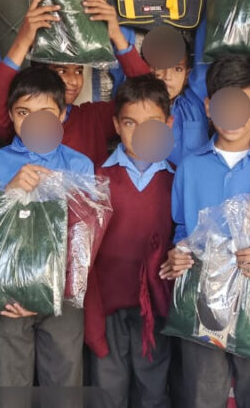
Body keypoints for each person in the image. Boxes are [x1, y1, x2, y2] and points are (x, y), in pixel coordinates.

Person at [160, 54, 250, 408]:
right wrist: (178, 252)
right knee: (202, 390)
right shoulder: (189, 168)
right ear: (210, 107)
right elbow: (181, 229)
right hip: (203, 286)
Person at [0, 66, 94, 388]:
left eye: (44, 113)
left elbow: (85, 239)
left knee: (63, 380)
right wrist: (10, 193)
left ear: (62, 114)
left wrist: (52, 291)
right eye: (23, 113)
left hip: (63, 295)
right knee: (8, 382)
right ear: (11, 115)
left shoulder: (78, 165)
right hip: (9, 294)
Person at [86, 75, 175, 407]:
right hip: (105, 303)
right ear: (116, 125)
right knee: (108, 387)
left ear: (168, 125)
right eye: (129, 123)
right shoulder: (97, 178)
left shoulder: (177, 179)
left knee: (153, 388)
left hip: (157, 306)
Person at [0, 0, 152, 162]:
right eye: (61, 71)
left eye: (79, 71)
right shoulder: (22, 120)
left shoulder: (92, 119)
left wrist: (117, 36)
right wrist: (22, 42)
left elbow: (149, 95)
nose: (74, 81)